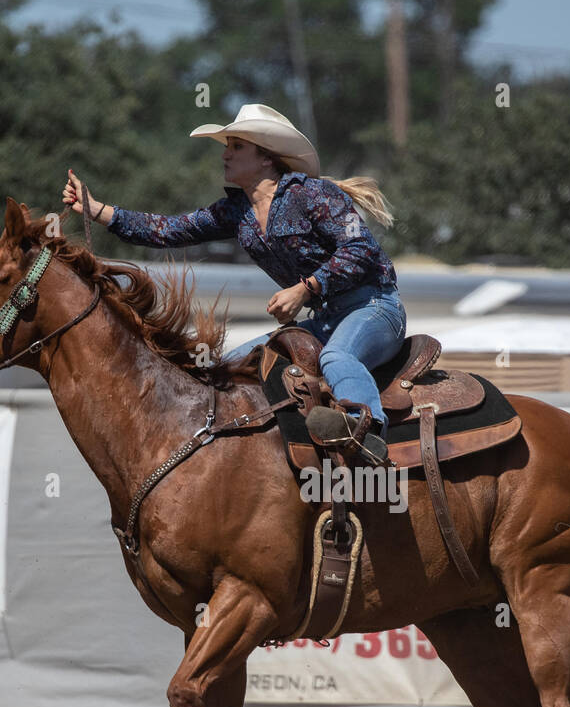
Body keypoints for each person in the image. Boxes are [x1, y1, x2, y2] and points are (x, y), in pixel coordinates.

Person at [62, 103, 405, 464]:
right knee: (232, 364)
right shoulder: (236, 211)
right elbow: (168, 230)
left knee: (337, 356)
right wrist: (96, 209)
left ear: (266, 159)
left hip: (376, 308)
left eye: (237, 146)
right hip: (326, 320)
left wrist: (306, 288)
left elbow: (361, 248)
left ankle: (365, 437)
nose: (225, 154)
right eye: (227, 146)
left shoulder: (313, 194)